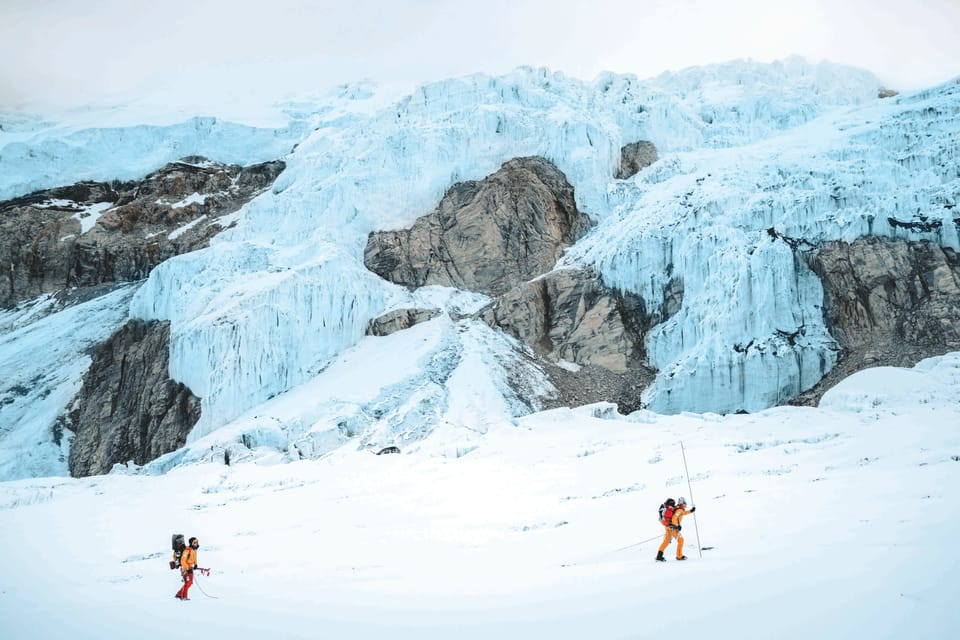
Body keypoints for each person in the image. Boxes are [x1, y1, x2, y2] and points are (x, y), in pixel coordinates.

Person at [656, 497, 696, 561]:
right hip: (673, 529)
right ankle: (679, 556)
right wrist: (677, 526)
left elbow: (682, 513)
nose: (686, 505)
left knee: (666, 542)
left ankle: (659, 556)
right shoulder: (679, 510)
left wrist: (691, 511)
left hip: (668, 527)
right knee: (681, 540)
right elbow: (674, 518)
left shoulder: (677, 508)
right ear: (682, 504)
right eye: (685, 504)